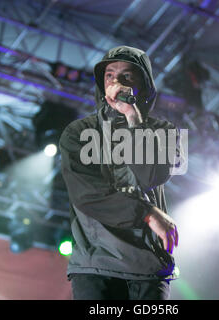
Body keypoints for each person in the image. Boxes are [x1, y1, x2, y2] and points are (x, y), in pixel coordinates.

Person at [59, 45, 182, 300]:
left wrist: (132, 118)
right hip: (96, 266)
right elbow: (88, 195)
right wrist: (147, 213)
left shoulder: (164, 130)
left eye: (127, 76)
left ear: (143, 86)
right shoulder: (78, 132)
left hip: (149, 268)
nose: (116, 81)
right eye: (110, 75)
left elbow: (153, 175)